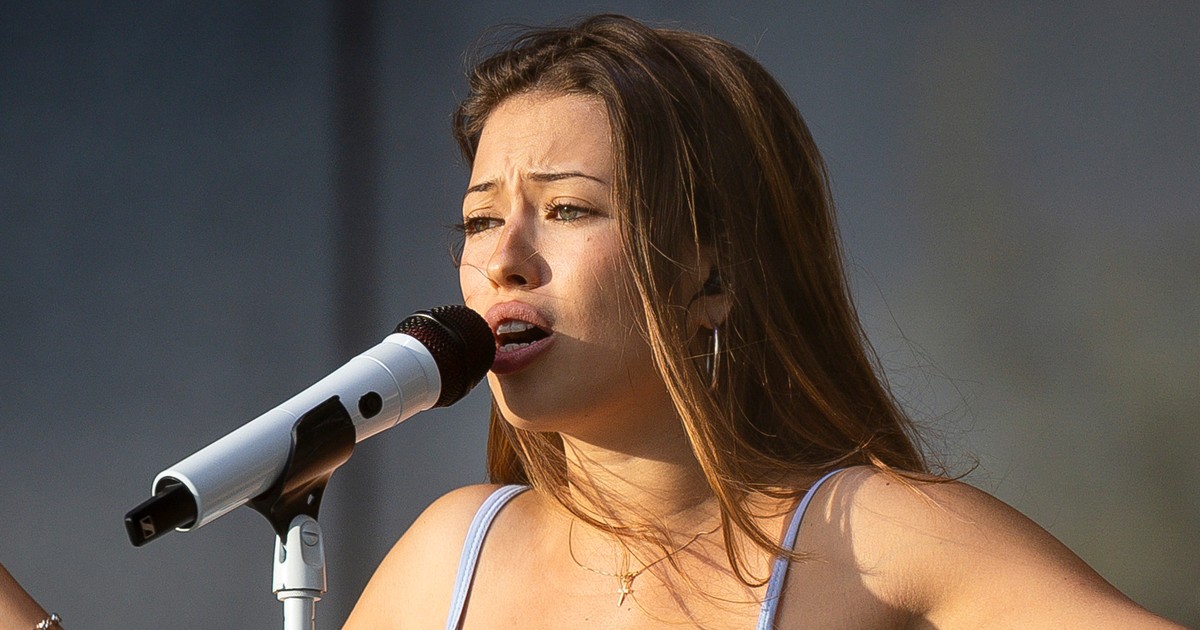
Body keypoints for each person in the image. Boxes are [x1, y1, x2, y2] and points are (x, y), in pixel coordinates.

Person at [0, 14, 1184, 630]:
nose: (503, 257)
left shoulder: (874, 532)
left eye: (566, 209)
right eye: (478, 220)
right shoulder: (453, 555)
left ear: (713, 274)